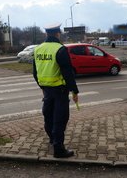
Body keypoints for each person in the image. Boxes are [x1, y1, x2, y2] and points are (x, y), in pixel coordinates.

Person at [33, 22, 79, 158]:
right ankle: (58, 149)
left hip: (47, 90)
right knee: (60, 119)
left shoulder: (38, 49)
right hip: (60, 91)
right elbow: (68, 73)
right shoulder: (60, 49)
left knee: (48, 116)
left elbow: (35, 72)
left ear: (46, 34)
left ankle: (52, 138)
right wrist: (74, 91)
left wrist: (42, 86)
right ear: (58, 34)